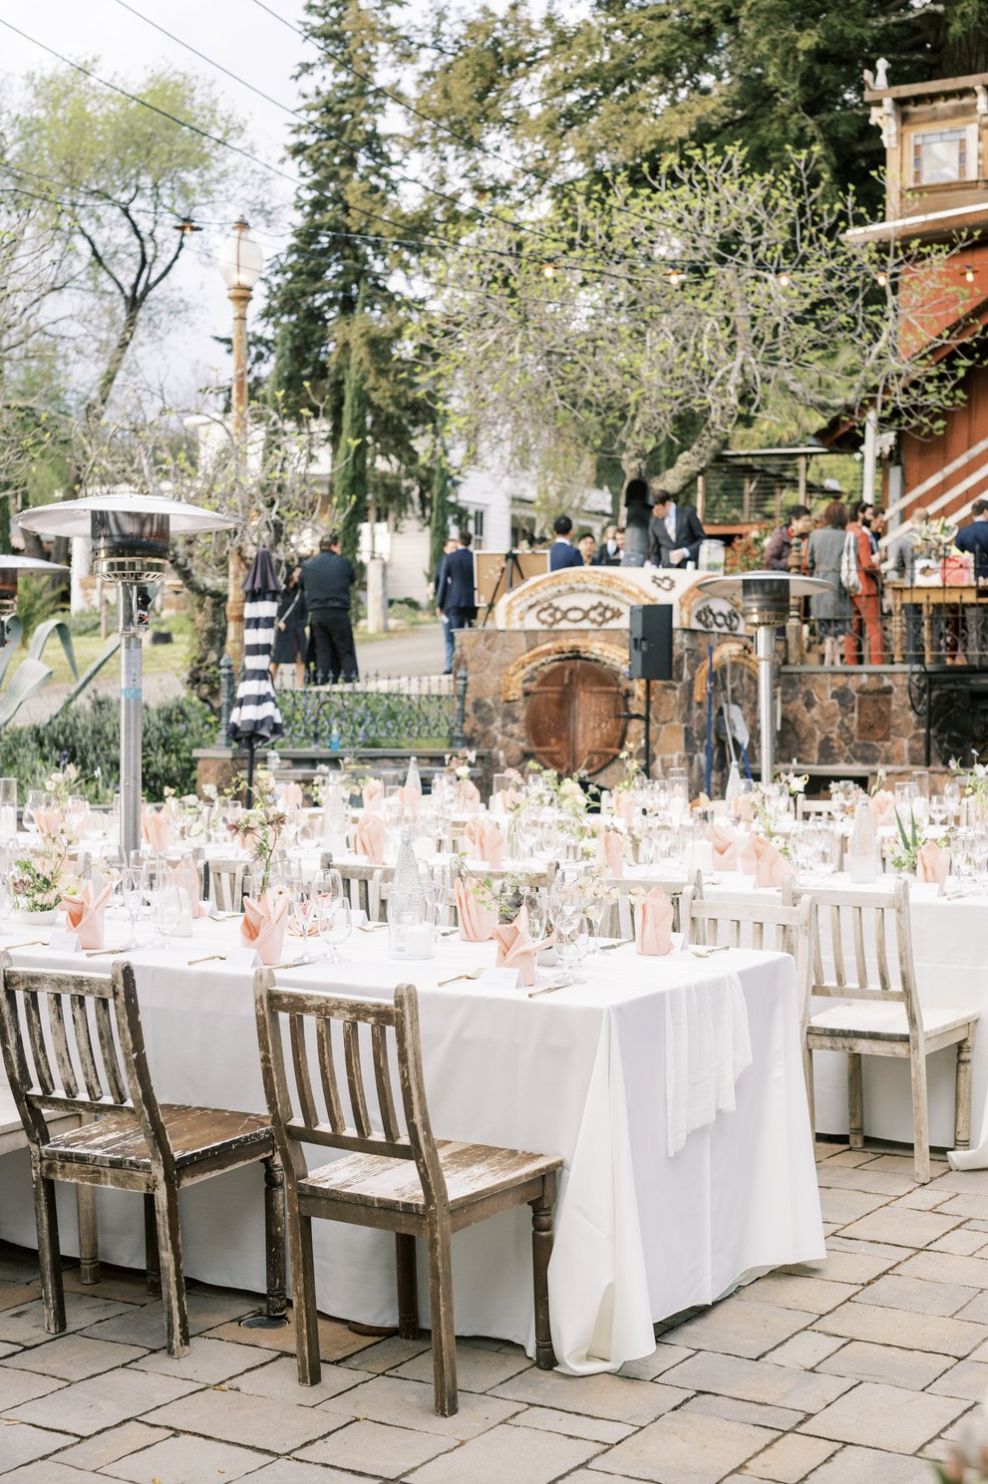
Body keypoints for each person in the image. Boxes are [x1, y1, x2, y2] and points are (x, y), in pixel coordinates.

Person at [301, 532, 359, 685]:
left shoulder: (308, 565)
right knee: (345, 651)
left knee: (322, 651)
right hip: (338, 612)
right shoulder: (343, 563)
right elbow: (352, 579)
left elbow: (302, 585)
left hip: (317, 614)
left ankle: (323, 684)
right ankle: (351, 683)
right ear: (333, 546)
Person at [806, 500, 854, 666]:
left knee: (825, 628)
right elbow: (852, 562)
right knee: (840, 626)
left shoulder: (815, 535)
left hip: (821, 583)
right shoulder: (848, 536)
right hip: (840, 585)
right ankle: (836, 662)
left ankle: (829, 660)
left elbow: (809, 562)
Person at [845, 498, 884, 664]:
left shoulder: (846, 530)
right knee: (874, 628)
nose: (871, 517)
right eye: (869, 514)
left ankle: (851, 663)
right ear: (860, 514)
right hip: (865, 586)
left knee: (852, 628)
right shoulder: (861, 534)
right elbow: (867, 563)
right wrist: (878, 568)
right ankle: (877, 664)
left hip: (849, 585)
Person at [435, 529, 477, 669]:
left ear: (458, 541)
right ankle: (471, 664)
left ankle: (458, 667)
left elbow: (442, 583)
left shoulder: (450, 558)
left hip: (455, 601)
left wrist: (439, 604)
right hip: (472, 601)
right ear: (470, 542)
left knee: (457, 636)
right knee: (472, 635)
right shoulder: (474, 558)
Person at [954, 499, 988, 662]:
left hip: (970, 585)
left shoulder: (963, 533)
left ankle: (974, 661)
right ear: (986, 512)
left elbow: (957, 559)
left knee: (974, 625)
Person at [270, 561, 307, 690]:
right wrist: (277, 622)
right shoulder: (280, 593)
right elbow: (273, 610)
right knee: (276, 659)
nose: (298, 575)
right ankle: (269, 686)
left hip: (296, 631)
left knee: (300, 659)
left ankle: (300, 688)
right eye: (296, 572)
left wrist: (300, 625)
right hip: (282, 631)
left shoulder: (300, 593)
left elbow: (304, 613)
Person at [647, 494, 705, 568]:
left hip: (689, 567)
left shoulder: (688, 513)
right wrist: (654, 566)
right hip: (666, 569)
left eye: (658, 510)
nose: (655, 514)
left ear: (667, 504)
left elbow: (702, 540)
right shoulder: (654, 522)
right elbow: (654, 550)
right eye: (653, 511)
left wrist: (685, 552)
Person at [433, 536, 458, 675]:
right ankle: (449, 666)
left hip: (457, 606)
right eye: (451, 548)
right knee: (449, 638)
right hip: (446, 607)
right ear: (445, 549)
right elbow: (439, 585)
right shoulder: (441, 564)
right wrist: (439, 605)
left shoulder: (460, 563)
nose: (453, 550)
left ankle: (457, 666)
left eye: (455, 548)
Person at [764, 505, 812, 572]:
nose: (809, 524)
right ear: (794, 520)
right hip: (785, 575)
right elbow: (769, 561)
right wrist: (791, 562)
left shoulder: (808, 537)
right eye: (806, 521)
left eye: (809, 521)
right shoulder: (781, 535)